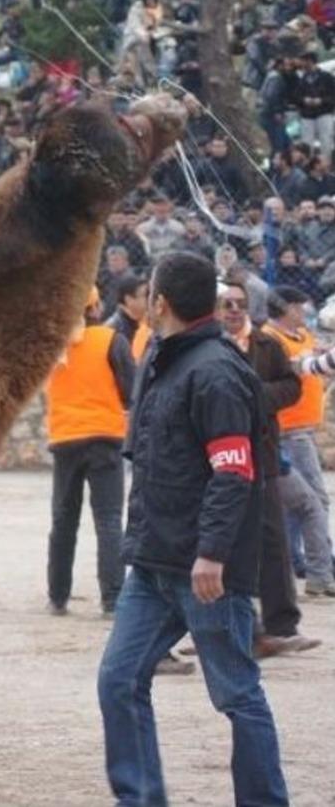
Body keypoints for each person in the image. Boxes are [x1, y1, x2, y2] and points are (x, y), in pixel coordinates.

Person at [98, 252, 289, 807]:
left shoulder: (215, 371)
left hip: (207, 570)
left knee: (236, 694)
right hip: (153, 564)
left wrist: (211, 553)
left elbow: (233, 472)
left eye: (150, 293)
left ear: (159, 302)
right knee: (118, 680)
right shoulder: (165, 357)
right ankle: (140, 798)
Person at [215, 281, 321, 657]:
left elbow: (292, 388)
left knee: (273, 540)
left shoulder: (266, 345)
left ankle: (282, 625)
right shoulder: (207, 348)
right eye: (226, 304)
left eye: (240, 304)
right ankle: (217, 628)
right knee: (218, 541)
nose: (234, 310)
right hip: (218, 459)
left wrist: (257, 397)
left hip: (262, 454)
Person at [44, 288, 132, 616]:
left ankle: (58, 597)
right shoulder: (111, 340)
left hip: (65, 439)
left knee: (63, 520)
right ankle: (112, 599)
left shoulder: (51, 346)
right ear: (95, 307)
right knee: (108, 520)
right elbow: (129, 389)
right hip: (105, 437)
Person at [261, 285, 335, 597]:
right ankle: (320, 570)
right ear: (286, 308)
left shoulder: (302, 336)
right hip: (288, 428)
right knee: (314, 500)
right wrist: (310, 362)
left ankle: (300, 562)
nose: (304, 311)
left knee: (297, 503)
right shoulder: (270, 338)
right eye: (298, 306)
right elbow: (293, 369)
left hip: (303, 427)